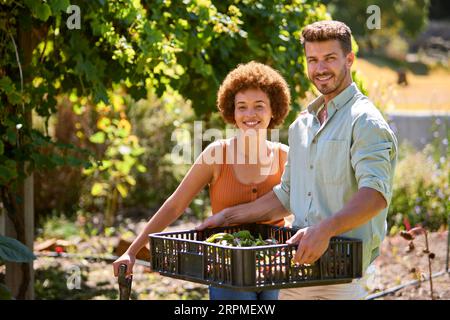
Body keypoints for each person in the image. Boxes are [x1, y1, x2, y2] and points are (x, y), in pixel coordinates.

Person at [197, 20, 398, 300]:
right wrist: (227, 217)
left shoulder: (365, 122)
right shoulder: (302, 125)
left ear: (349, 59)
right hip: (296, 271)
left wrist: (324, 230)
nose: (320, 69)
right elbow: (286, 195)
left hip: (339, 274)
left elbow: (375, 195)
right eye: (312, 60)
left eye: (330, 59)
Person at [112, 61, 291, 300]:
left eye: (259, 106)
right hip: (226, 268)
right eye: (242, 107)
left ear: (273, 109)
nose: (250, 115)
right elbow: (175, 204)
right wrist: (132, 251)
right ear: (232, 111)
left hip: (275, 267)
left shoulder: (284, 156)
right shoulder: (217, 155)